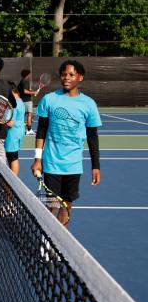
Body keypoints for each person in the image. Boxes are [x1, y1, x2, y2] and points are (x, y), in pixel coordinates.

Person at [32, 60, 102, 229]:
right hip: (51, 163)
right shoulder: (49, 100)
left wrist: (96, 166)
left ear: (80, 77)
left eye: (71, 74)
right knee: (51, 205)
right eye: (64, 74)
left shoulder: (89, 104)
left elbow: (92, 137)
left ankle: (60, 240)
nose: (66, 78)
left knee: (66, 205)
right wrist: (37, 159)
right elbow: (41, 130)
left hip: (74, 165)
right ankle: (46, 238)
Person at [4, 82, 27, 176]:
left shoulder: (13, 104)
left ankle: (13, 180)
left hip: (12, 134)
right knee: (13, 156)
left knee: (12, 157)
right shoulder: (20, 101)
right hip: (19, 132)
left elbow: (10, 123)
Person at [18, 68, 36, 134]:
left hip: (22, 101)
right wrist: (33, 93)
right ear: (27, 74)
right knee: (29, 115)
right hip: (27, 101)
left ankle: (20, 129)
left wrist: (31, 92)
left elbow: (23, 91)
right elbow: (25, 91)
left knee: (22, 115)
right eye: (30, 74)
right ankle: (29, 130)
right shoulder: (25, 82)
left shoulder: (21, 82)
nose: (30, 75)